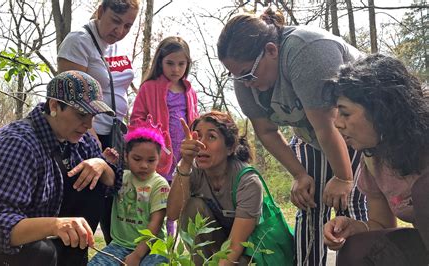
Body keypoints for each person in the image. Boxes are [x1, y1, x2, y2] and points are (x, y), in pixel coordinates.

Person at [217, 8, 368, 265]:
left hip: (355, 128)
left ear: (271, 51)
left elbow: (327, 125)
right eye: (237, 76)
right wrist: (300, 174)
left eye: (247, 74)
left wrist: (343, 177)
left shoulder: (306, 51)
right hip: (313, 134)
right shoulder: (244, 79)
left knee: (349, 201)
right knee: (309, 202)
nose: (243, 83)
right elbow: (266, 131)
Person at [0, 71, 119, 266]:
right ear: (54, 106)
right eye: (81, 114)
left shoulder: (81, 143)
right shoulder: (17, 144)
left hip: (39, 232)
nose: (88, 124)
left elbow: (114, 183)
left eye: (93, 116)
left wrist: (102, 165)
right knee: (42, 253)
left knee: (94, 184)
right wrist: (55, 225)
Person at [322, 54, 429, 265]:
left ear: (381, 110)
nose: (337, 123)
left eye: (345, 114)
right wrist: (354, 227)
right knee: (357, 249)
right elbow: (381, 223)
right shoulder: (373, 159)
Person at [57, 0, 140, 244]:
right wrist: (92, 143)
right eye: (116, 21)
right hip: (85, 137)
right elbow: (69, 97)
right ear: (101, 11)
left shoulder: (113, 47)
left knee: (112, 207)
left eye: (128, 25)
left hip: (114, 137)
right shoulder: (78, 40)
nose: (120, 31)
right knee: (86, 205)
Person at [167, 111, 263, 265]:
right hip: (215, 243)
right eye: (197, 136)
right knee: (192, 206)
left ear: (230, 148)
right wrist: (184, 163)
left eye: (211, 137)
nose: (201, 144)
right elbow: (172, 214)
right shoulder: (192, 169)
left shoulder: (248, 182)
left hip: (246, 250)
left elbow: (235, 247)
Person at [130, 36, 199, 235]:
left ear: (187, 64)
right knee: (158, 198)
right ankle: (149, 239)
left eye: (181, 64)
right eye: (170, 63)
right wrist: (152, 133)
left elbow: (194, 120)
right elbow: (136, 120)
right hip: (159, 154)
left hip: (182, 154)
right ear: (160, 61)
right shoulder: (149, 87)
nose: (175, 69)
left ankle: (171, 242)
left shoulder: (190, 90)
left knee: (178, 199)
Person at [88, 127, 170, 266]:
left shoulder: (159, 185)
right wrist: (106, 162)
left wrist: (137, 255)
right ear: (126, 156)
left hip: (153, 248)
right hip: (119, 245)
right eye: (137, 159)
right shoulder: (121, 177)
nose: (144, 165)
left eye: (151, 160)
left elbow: (155, 224)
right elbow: (100, 185)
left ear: (159, 158)